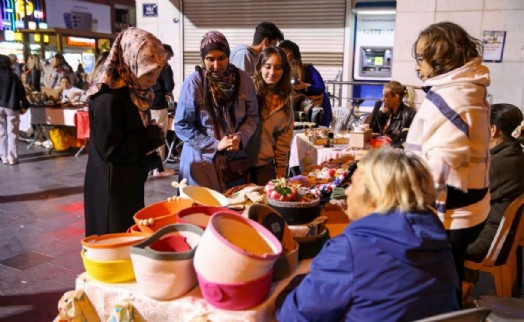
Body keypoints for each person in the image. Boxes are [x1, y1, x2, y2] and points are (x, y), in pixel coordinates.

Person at [276, 148, 460, 321]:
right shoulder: (435, 235)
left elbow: (294, 316)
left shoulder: (351, 250)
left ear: (374, 197)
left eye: (353, 184)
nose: (347, 191)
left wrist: (287, 287)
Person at [404, 22, 491, 293]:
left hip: (453, 212)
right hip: (472, 203)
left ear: (441, 59)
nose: (418, 67)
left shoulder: (452, 97)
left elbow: (441, 163)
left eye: (421, 59)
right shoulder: (468, 88)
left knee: (439, 285)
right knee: (450, 275)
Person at [84, 27, 167, 236]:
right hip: (111, 190)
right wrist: (149, 137)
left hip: (128, 182)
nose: (154, 80)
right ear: (130, 63)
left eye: (158, 72)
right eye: (148, 73)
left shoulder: (133, 92)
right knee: (114, 240)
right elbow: (111, 149)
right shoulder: (108, 99)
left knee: (129, 236)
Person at [174, 30, 258, 192]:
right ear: (202, 58)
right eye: (210, 59)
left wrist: (240, 137)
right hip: (201, 162)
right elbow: (181, 125)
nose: (216, 65)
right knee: (202, 212)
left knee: (232, 209)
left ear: (228, 56)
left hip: (233, 163)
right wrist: (214, 145)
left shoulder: (243, 80)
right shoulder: (194, 83)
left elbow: (252, 115)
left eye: (221, 58)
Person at [463, 103, 524, 299]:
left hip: (489, 239)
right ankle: (464, 287)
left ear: (492, 130)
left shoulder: (498, 164)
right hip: (498, 233)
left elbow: (458, 195)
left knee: (432, 238)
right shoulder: (512, 154)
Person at [246, 47, 293, 185]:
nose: (272, 72)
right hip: (238, 163)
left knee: (266, 204)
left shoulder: (286, 100)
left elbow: (283, 142)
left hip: (264, 165)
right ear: (260, 67)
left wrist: (281, 173)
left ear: (284, 70)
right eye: (268, 67)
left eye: (278, 68)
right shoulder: (247, 88)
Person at [278, 40, 332, 127]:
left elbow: (321, 87)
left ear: (289, 54)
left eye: (281, 53)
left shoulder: (308, 69)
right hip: (297, 110)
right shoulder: (282, 70)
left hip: (316, 109)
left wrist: (305, 86)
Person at [150, 44, 176, 177]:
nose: (169, 59)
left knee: (150, 136)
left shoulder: (149, 64)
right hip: (159, 104)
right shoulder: (164, 67)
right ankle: (159, 169)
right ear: (164, 53)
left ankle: (150, 167)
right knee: (159, 135)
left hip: (147, 104)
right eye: (169, 56)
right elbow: (169, 85)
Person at [0, 54, 30, 165]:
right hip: (12, 106)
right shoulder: (13, 76)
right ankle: (12, 157)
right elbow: (21, 92)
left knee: (1, 132)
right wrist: (25, 104)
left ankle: (3, 157)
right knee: (13, 132)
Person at [369, 81, 416, 147]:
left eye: (385, 96)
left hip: (394, 152)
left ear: (396, 97)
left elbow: (404, 140)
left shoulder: (409, 114)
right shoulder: (385, 112)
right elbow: (371, 130)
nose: (383, 99)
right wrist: (381, 114)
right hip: (379, 148)